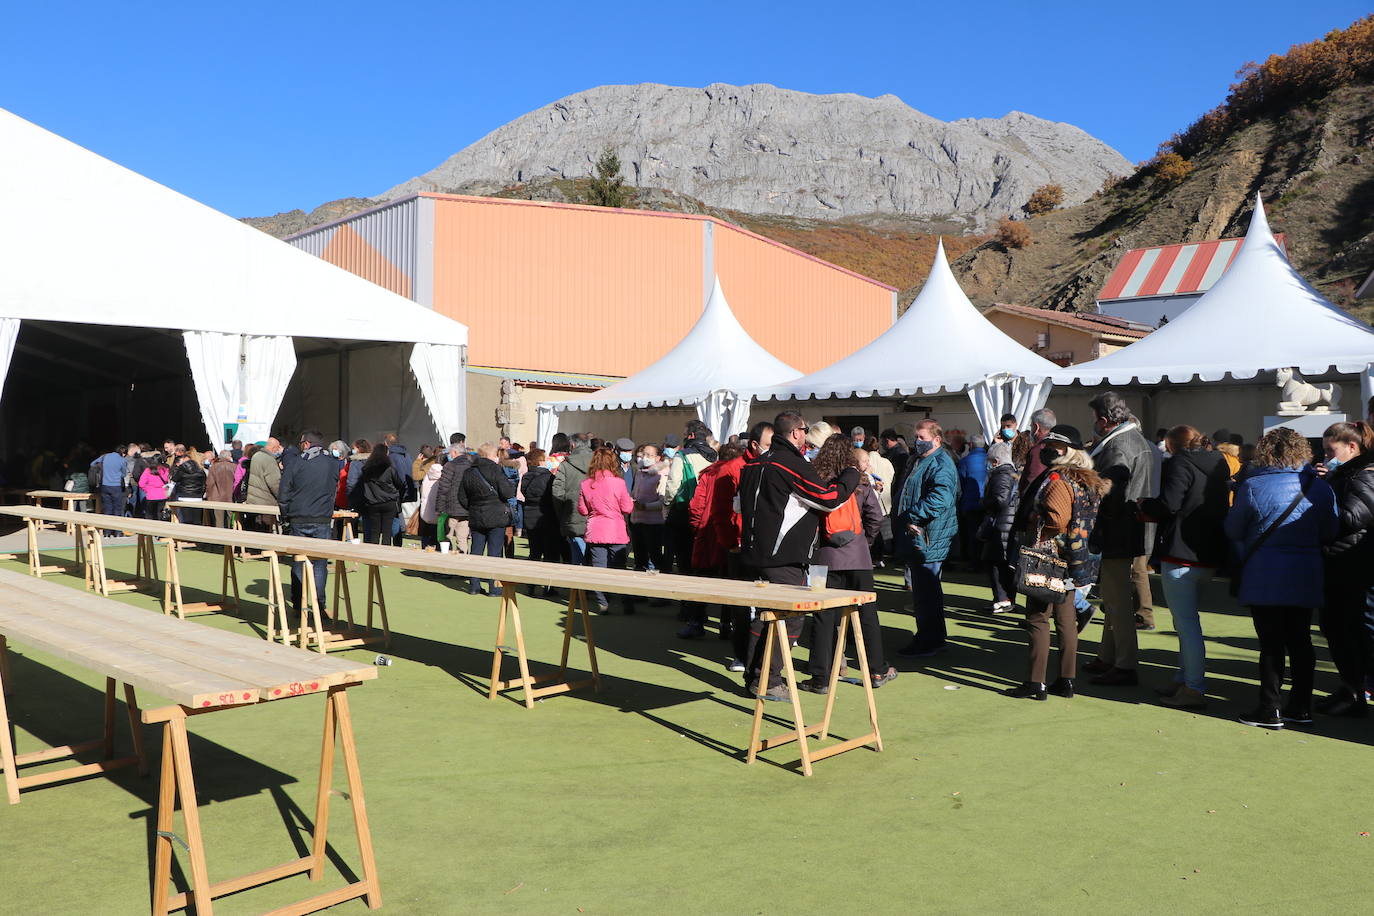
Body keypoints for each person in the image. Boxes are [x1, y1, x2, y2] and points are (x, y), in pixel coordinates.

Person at [739, 411, 859, 701]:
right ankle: (767, 679)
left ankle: (757, 675)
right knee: (789, 617)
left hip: (755, 550)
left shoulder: (754, 464)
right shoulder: (789, 464)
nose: (806, 436)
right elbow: (828, 499)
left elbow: (737, 506)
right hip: (782, 555)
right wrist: (851, 475)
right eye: (804, 431)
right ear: (796, 433)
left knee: (764, 617)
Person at [1226, 427, 1337, 728]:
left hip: (1265, 570)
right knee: (1300, 639)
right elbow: (1330, 530)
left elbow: (1233, 529)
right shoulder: (1320, 487)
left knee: (1272, 643)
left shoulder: (1253, 486)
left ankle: (1270, 707)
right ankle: (1300, 706)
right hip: (1306, 571)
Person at [1007, 426, 1108, 700]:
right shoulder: (1088, 481)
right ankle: (1066, 680)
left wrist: (1034, 520)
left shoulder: (1060, 479)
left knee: (1038, 618)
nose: (1048, 449)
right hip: (1074, 559)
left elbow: (1056, 519)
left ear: (1068, 452)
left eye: (1055, 446)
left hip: (1051, 558)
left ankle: (1035, 682)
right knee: (1065, 619)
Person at [1139, 425, 1232, 709]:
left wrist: (1146, 505)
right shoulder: (1220, 462)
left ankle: (1193, 686)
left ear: (1173, 445)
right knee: (1187, 623)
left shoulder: (1181, 462)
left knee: (1187, 625)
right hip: (1209, 551)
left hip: (1181, 551)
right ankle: (1184, 679)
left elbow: (1170, 503)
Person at [800, 437, 897, 693]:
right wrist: (864, 541)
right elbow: (875, 516)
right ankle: (876, 669)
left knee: (822, 616)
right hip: (857, 557)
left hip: (823, 559)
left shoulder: (815, 481)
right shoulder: (861, 483)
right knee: (867, 614)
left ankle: (821, 676)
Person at [1082, 393, 1154, 687]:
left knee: (1117, 601)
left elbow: (1110, 495)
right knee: (1114, 599)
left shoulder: (1118, 446)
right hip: (1130, 529)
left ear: (1104, 419)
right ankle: (1109, 656)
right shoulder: (1134, 440)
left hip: (1117, 532)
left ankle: (1123, 664)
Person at [1316, 422, 1374, 717]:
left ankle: (1353, 693)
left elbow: (1354, 517)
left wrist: (1322, 504)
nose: (1326, 455)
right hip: (1342, 563)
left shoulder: (1363, 475)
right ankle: (1350, 689)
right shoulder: (1349, 473)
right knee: (1338, 630)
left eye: (1331, 449)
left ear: (1352, 447)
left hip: (1351, 566)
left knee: (1346, 632)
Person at [893, 419, 960, 657]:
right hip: (918, 534)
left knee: (927, 593)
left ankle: (930, 640)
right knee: (923, 592)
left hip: (928, 536)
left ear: (937, 439)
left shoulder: (941, 463)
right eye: (917, 437)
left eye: (922, 437)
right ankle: (929, 637)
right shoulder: (920, 460)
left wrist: (914, 516)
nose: (917, 441)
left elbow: (941, 498)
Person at [277, 430, 342, 624]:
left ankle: (298, 603)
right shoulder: (332, 463)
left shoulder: (296, 462)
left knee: (299, 562)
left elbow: (284, 491)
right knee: (320, 564)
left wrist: (286, 513)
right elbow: (335, 486)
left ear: (306, 444)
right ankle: (319, 605)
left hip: (298, 516)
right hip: (321, 516)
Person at [664, 421, 718, 625]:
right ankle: (702, 608)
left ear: (692, 435)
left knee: (685, 562)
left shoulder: (683, 455)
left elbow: (673, 485)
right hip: (707, 513)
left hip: (684, 513)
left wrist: (667, 504)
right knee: (703, 563)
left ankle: (689, 609)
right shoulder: (715, 456)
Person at [577, 446, 635, 613]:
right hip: (616, 529)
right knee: (620, 569)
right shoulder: (619, 483)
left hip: (595, 529)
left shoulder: (586, 484)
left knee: (599, 568)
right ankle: (626, 602)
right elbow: (627, 508)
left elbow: (583, 510)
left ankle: (603, 602)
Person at [458, 442, 516, 596]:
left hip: (476, 515)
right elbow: (508, 492)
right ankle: (493, 587)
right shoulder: (496, 470)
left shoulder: (469, 472)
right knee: (494, 552)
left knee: (476, 551)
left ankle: (474, 585)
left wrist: (473, 507)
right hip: (496, 515)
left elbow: (462, 497)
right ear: (492, 455)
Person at [980, 438, 1020, 614]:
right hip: (1007, 522)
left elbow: (1000, 500)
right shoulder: (1010, 473)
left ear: (995, 461)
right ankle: (1006, 598)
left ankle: (1003, 598)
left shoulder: (1001, 475)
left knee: (996, 563)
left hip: (1001, 523)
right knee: (1002, 564)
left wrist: (984, 503)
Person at [551, 433, 594, 567]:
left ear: (573, 445)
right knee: (596, 558)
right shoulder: (599, 462)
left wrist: (566, 506)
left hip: (573, 513)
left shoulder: (565, 465)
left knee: (578, 558)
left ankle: (579, 587)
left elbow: (557, 493)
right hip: (596, 514)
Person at [629, 443, 668, 574]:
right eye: (643, 454)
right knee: (639, 559)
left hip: (653, 523)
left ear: (657, 458)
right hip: (637, 520)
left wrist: (645, 506)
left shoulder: (662, 474)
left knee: (655, 556)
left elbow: (663, 501)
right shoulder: (639, 473)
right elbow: (635, 493)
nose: (644, 457)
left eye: (649, 455)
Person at [520, 449, 561, 567]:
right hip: (547, 516)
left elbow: (524, 492)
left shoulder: (526, 477)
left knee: (534, 551)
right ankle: (550, 583)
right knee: (550, 552)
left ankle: (532, 583)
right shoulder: (549, 478)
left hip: (530, 516)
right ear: (541, 461)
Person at [357, 443, 404, 546]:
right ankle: (385, 556)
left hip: (373, 502)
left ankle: (374, 559)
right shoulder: (389, 468)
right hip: (389, 502)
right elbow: (399, 483)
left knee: (375, 532)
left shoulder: (366, 469)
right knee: (387, 533)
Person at [434, 438, 474, 557]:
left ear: (455, 453)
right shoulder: (471, 465)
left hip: (451, 508)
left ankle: (447, 568)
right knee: (462, 538)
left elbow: (443, 489)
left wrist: (439, 508)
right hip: (466, 508)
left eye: (451, 453)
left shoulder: (450, 466)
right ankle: (463, 564)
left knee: (447, 538)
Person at [956, 432, 989, 568]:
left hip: (970, 503)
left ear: (970, 445)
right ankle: (983, 561)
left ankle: (974, 562)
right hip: (987, 502)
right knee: (985, 533)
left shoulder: (965, 461)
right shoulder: (990, 459)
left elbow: (960, 483)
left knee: (971, 534)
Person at [382, 433, 416, 546]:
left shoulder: (391, 457)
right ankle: (398, 542)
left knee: (393, 519)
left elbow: (397, 477)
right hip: (404, 491)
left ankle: (395, 544)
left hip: (395, 491)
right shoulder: (406, 455)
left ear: (386, 443)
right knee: (397, 515)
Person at [92, 444, 128, 534]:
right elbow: (124, 474)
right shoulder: (122, 460)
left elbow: (92, 464)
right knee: (117, 509)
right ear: (123, 453)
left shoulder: (105, 456)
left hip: (105, 485)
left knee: (107, 509)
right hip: (116, 486)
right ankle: (117, 532)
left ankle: (107, 532)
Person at [1019, 408, 1057, 493]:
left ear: (1036, 427)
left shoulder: (1038, 451)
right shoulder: (1058, 447)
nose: (1031, 429)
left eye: (1031, 426)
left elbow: (1032, 483)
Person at [169, 449, 207, 523]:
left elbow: (174, 479)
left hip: (184, 497)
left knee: (186, 521)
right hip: (197, 497)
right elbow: (204, 484)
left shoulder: (181, 469)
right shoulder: (200, 471)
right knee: (197, 520)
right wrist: (201, 494)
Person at [418, 453, 445, 550]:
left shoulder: (427, 475)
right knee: (440, 537)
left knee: (426, 536)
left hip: (426, 510)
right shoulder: (445, 475)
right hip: (440, 511)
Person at [205, 450, 236, 526]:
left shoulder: (213, 467)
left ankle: (219, 536)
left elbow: (209, 484)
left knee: (219, 521)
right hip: (231, 497)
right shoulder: (235, 466)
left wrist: (209, 496)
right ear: (229, 457)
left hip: (217, 498)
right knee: (231, 520)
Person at [137, 454, 170, 521]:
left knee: (149, 515)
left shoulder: (148, 470)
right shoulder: (165, 470)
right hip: (162, 495)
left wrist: (147, 490)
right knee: (160, 514)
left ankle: (149, 530)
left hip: (151, 495)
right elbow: (167, 481)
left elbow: (141, 484)